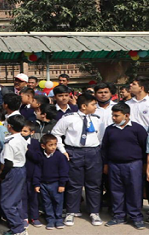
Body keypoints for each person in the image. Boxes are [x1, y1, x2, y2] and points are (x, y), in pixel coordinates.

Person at [51, 93, 105, 226]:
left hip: (93, 152)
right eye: (93, 104)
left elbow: (101, 137)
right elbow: (55, 133)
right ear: (84, 106)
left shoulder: (97, 119)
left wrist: (96, 149)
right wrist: (63, 151)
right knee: (74, 184)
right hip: (74, 152)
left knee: (94, 184)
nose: (95, 107)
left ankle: (94, 212)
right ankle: (71, 211)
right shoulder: (69, 118)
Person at [101, 102, 148, 230]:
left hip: (134, 164)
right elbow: (105, 148)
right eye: (113, 115)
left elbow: (145, 147)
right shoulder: (110, 129)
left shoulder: (137, 128)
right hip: (114, 165)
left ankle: (136, 217)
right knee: (116, 191)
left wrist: (145, 165)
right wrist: (105, 164)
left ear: (126, 116)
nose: (113, 118)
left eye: (116, 115)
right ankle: (118, 215)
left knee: (134, 190)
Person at [0, 114, 29, 235]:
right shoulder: (22, 138)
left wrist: (2, 175)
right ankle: (17, 225)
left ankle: (18, 229)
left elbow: (8, 162)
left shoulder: (10, 142)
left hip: (13, 171)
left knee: (7, 203)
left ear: (10, 126)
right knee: (15, 199)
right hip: (21, 169)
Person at [36, 133, 69, 230]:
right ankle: (50, 219)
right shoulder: (40, 157)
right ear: (43, 146)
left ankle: (59, 219)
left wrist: (62, 184)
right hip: (43, 184)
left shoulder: (60, 157)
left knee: (58, 202)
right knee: (47, 202)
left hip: (56, 184)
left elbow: (64, 171)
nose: (53, 147)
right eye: (50, 145)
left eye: (55, 144)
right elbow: (37, 171)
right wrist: (37, 184)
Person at [22, 121, 42, 228]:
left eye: (25, 131)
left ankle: (34, 217)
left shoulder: (35, 143)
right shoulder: (16, 141)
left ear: (32, 132)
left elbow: (38, 158)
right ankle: (24, 217)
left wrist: (28, 150)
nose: (23, 133)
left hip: (32, 175)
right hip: (21, 175)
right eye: (21, 130)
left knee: (33, 197)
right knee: (22, 197)